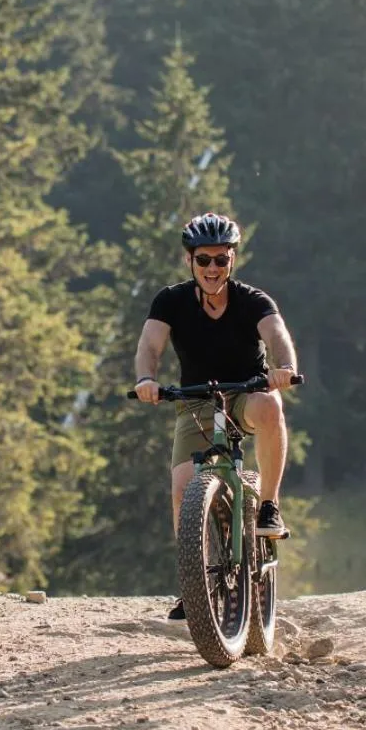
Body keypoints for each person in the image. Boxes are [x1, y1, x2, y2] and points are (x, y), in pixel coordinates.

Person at [132, 212, 299, 621]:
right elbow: (150, 345)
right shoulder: (169, 301)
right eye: (203, 259)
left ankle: (268, 506)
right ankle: (196, 587)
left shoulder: (253, 301)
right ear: (190, 261)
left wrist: (283, 368)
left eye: (221, 260)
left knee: (271, 406)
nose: (212, 268)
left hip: (244, 395)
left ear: (232, 260)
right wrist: (146, 379)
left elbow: (278, 337)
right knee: (181, 486)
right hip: (196, 402)